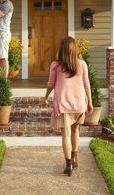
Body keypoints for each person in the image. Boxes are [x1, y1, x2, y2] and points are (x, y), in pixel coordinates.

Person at [43, 36, 93, 177]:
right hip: (79, 104)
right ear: (75, 49)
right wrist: (90, 102)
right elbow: (87, 85)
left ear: (62, 50)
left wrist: (46, 97)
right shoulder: (82, 64)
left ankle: (69, 164)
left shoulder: (56, 66)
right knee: (75, 131)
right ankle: (75, 158)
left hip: (63, 104)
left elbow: (51, 85)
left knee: (66, 134)